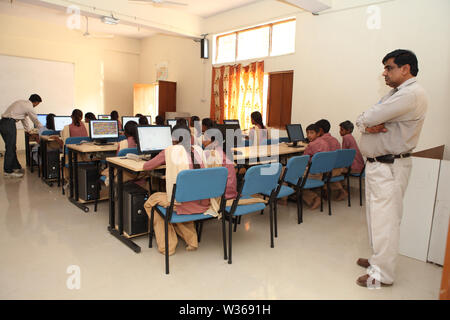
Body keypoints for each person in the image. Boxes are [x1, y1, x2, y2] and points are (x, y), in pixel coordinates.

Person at [355, 49, 427, 288]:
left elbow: (370, 117)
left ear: (405, 69)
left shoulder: (410, 95)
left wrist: (366, 122)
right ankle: (378, 261)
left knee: (385, 221)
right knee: (376, 219)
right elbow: (366, 118)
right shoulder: (395, 93)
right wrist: (366, 122)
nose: (384, 72)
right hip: (380, 165)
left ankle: (382, 274)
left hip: (389, 166)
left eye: (389, 67)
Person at [143, 122, 209, 255]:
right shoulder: (198, 150)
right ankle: (192, 241)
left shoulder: (169, 151)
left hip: (183, 204)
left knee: (151, 202)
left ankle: (168, 246)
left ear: (173, 138)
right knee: (181, 197)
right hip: (201, 202)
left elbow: (147, 167)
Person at [0, 94, 43, 178]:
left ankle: (16, 166)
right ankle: (7, 171)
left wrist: (28, 130)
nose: (36, 106)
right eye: (37, 104)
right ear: (36, 102)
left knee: (11, 147)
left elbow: (24, 119)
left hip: (3, 123)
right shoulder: (29, 106)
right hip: (9, 124)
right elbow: (35, 120)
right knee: (10, 147)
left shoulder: (22, 103)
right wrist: (43, 130)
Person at [316, 118, 346, 200]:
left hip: (329, 171)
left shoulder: (320, 141)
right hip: (338, 168)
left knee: (311, 169)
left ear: (321, 130)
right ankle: (326, 189)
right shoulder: (335, 140)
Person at [301, 123, 328, 210]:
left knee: (289, 175)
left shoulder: (311, 145)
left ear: (318, 133)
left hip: (313, 174)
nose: (309, 135)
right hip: (323, 173)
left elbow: (304, 160)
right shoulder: (325, 143)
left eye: (311, 133)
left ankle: (315, 198)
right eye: (307, 133)